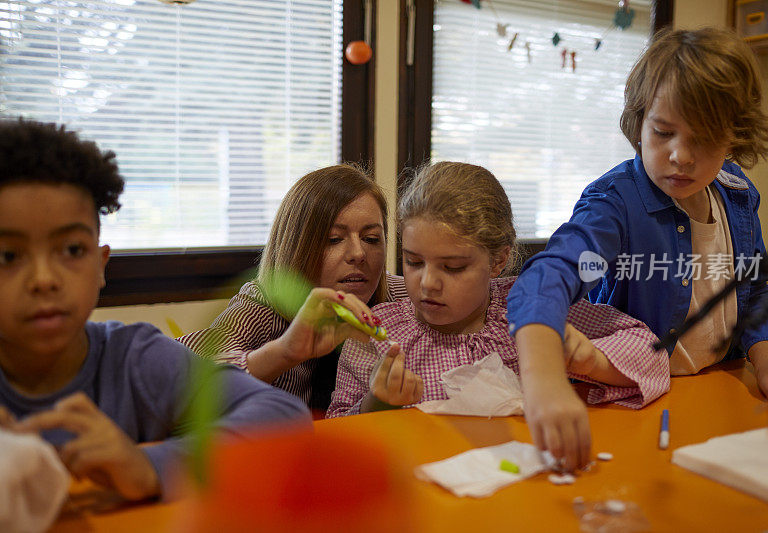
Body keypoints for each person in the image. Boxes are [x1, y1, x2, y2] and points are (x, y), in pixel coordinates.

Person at [508, 27, 768, 472]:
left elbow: (755, 289)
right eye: (663, 132)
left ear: (733, 137)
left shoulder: (737, 195)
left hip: (719, 392)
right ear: (639, 123)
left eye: (702, 138)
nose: (680, 155)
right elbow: (547, 277)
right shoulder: (615, 203)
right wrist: (544, 381)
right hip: (636, 405)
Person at [0, 119, 311, 501]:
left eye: (72, 250)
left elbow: (284, 417)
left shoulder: (133, 357)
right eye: (9, 255)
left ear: (101, 265)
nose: (44, 279)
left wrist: (150, 466)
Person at [327, 162, 668, 426]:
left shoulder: (528, 308)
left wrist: (591, 360)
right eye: (414, 262)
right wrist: (377, 401)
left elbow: (648, 347)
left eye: (454, 267)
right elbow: (336, 431)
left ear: (498, 260)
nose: (428, 282)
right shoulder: (375, 335)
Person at [179, 165, 407, 413]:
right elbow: (179, 376)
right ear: (297, 247)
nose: (358, 254)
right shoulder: (262, 304)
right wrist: (283, 352)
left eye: (371, 239)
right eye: (334, 239)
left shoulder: (401, 298)